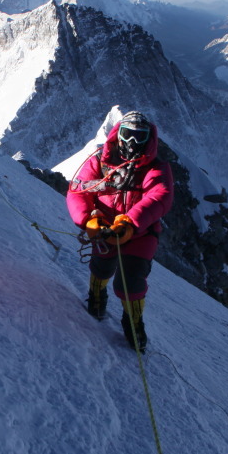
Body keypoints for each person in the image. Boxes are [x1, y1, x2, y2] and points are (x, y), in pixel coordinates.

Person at [66, 111, 174, 352]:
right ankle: (97, 297)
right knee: (102, 266)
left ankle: (134, 323)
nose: (132, 142)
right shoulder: (99, 162)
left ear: (149, 139)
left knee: (131, 281)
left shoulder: (156, 168)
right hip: (105, 228)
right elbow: (78, 191)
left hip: (139, 233)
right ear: (118, 134)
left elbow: (160, 196)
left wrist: (131, 221)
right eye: (128, 135)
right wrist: (88, 220)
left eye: (139, 136)